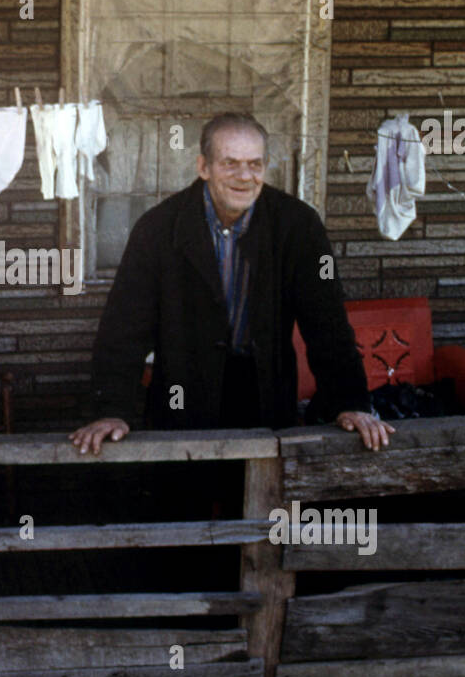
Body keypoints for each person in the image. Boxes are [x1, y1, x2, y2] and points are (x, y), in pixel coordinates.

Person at [70, 112, 395, 455]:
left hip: (263, 392)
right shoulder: (157, 228)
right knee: (183, 501)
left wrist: (350, 401)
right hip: (182, 393)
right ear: (203, 167)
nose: (245, 176)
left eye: (255, 164)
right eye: (230, 163)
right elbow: (124, 328)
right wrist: (111, 410)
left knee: (262, 501)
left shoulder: (298, 225)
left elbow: (327, 322)